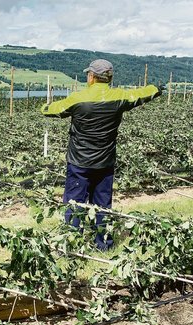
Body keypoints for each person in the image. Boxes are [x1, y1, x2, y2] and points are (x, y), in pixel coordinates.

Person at [41, 59, 163, 250]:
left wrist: (44, 107)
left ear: (91, 77)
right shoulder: (120, 97)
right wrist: (156, 88)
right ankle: (103, 244)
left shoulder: (78, 98)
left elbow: (53, 110)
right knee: (102, 205)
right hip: (105, 162)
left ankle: (72, 244)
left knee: (74, 203)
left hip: (79, 161)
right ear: (109, 77)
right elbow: (142, 94)